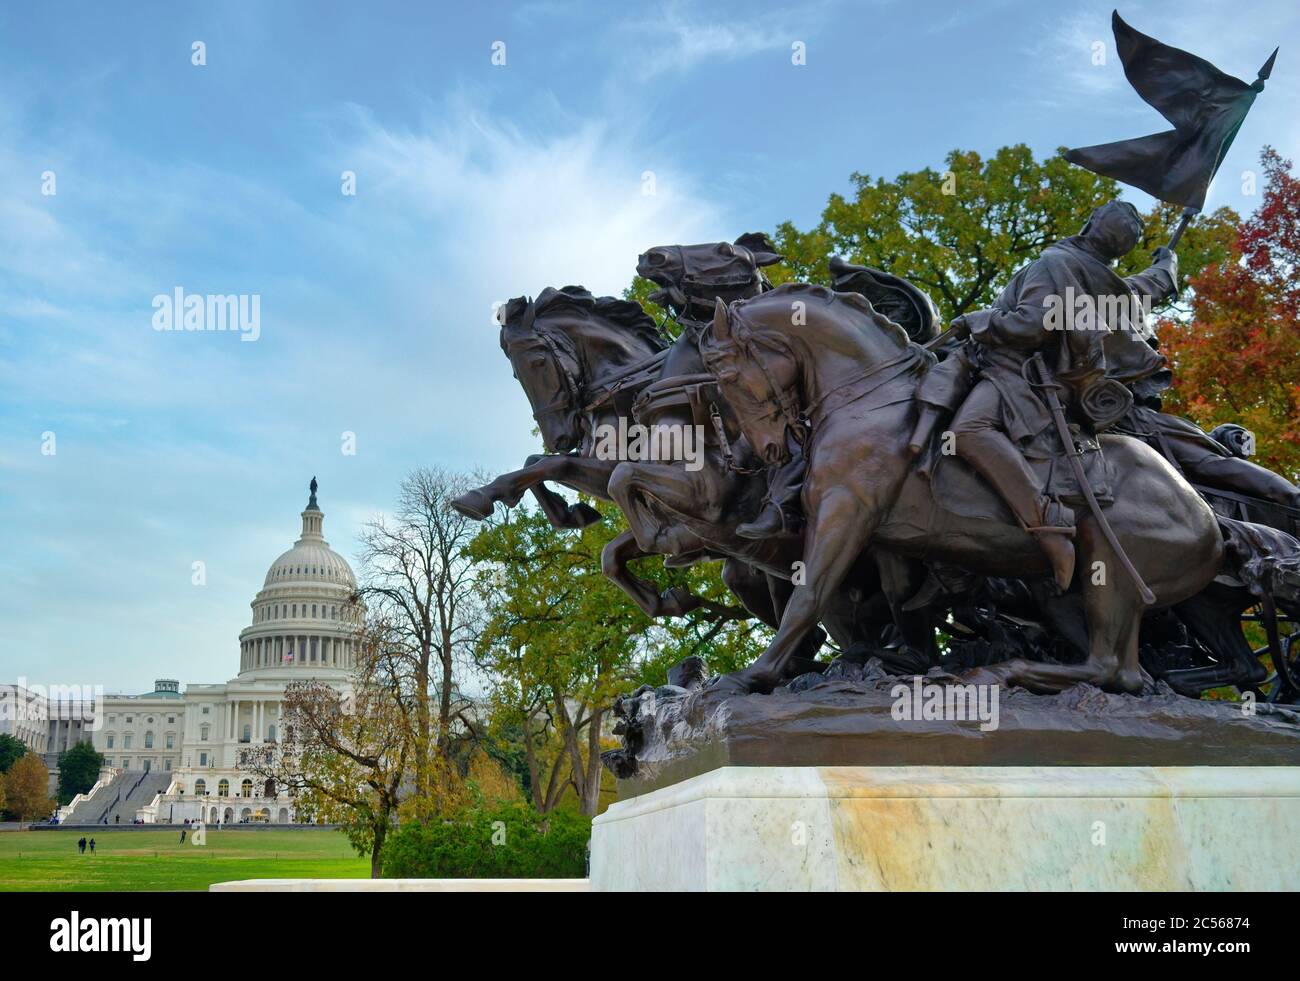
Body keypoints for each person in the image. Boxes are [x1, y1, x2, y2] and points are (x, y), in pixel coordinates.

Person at [910, 201, 1177, 591]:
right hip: (1034, 379)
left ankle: (1048, 521)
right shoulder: (1104, 281)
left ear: (1088, 222)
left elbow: (1033, 325)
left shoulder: (1053, 263)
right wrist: (1168, 265)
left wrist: (979, 319)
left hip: (1015, 376)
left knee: (968, 431)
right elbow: (1149, 286)